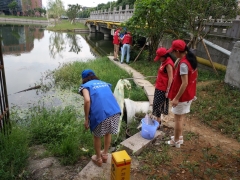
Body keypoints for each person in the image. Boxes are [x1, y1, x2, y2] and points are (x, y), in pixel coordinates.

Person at [78, 69, 121, 167]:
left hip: (101, 115)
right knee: (108, 132)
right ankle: (105, 155)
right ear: (94, 76)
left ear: (84, 79)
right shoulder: (104, 83)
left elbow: (87, 101)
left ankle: (98, 158)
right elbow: (113, 97)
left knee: (97, 136)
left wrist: (86, 119)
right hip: (115, 112)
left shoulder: (85, 86)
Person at [166, 39, 198, 148]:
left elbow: (184, 83)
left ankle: (175, 141)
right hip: (189, 94)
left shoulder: (184, 64)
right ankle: (179, 137)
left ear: (178, 51)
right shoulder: (191, 58)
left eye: (174, 52)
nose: (174, 54)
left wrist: (176, 98)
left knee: (178, 119)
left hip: (183, 96)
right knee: (181, 117)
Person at [152, 47, 174, 128]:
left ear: (163, 56)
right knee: (156, 104)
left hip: (163, 89)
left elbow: (171, 78)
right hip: (159, 86)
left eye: (159, 58)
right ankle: (158, 121)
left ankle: (157, 124)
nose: (159, 59)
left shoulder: (168, 64)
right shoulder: (164, 61)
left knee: (158, 105)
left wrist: (168, 90)